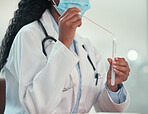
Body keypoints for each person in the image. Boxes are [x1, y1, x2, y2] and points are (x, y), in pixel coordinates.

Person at [0, 0, 130, 113]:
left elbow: (103, 108)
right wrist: (63, 45)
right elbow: (37, 108)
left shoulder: (87, 47)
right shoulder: (29, 35)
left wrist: (113, 86)